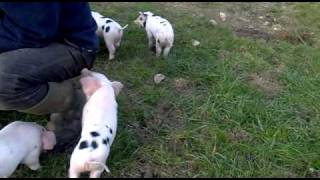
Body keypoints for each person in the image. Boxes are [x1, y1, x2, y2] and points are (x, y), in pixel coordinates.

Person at [0, 2, 99, 153]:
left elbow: (35, 31)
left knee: (3, 81)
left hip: (71, 44)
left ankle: (76, 102)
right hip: (33, 35)